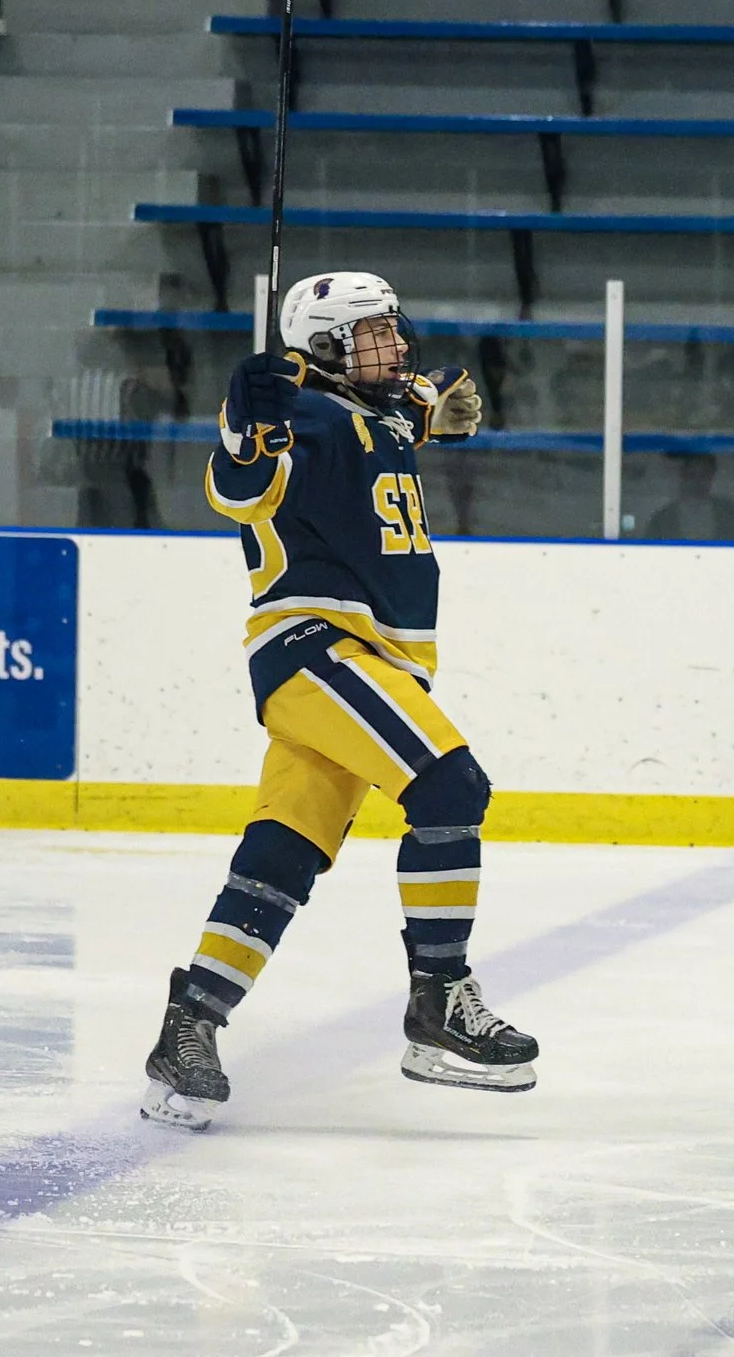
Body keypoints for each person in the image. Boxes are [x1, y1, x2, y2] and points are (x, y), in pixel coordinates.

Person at [141, 273, 537, 1130]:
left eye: (395, 327)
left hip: (368, 671)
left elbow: (414, 409)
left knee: (280, 854)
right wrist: (247, 426)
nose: (396, 346)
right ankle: (439, 1001)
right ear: (323, 347)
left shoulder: (383, 408)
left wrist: (436, 405)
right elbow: (236, 488)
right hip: (320, 650)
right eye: (373, 333)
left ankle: (188, 1027)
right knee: (449, 785)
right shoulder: (291, 415)